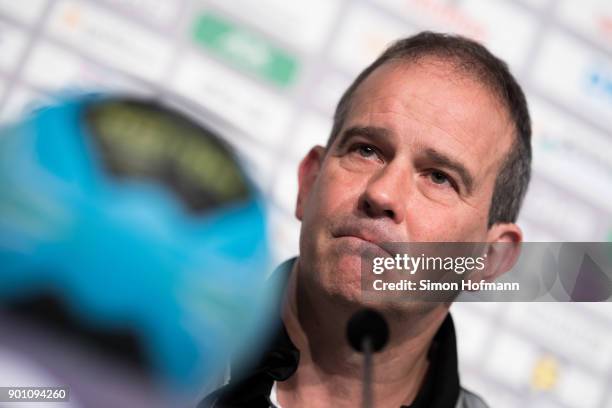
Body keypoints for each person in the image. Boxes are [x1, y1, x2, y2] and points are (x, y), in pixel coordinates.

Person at [200, 31, 531, 408]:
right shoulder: (142, 362)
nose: (382, 194)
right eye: (367, 150)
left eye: (439, 177)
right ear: (309, 183)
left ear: (489, 258)